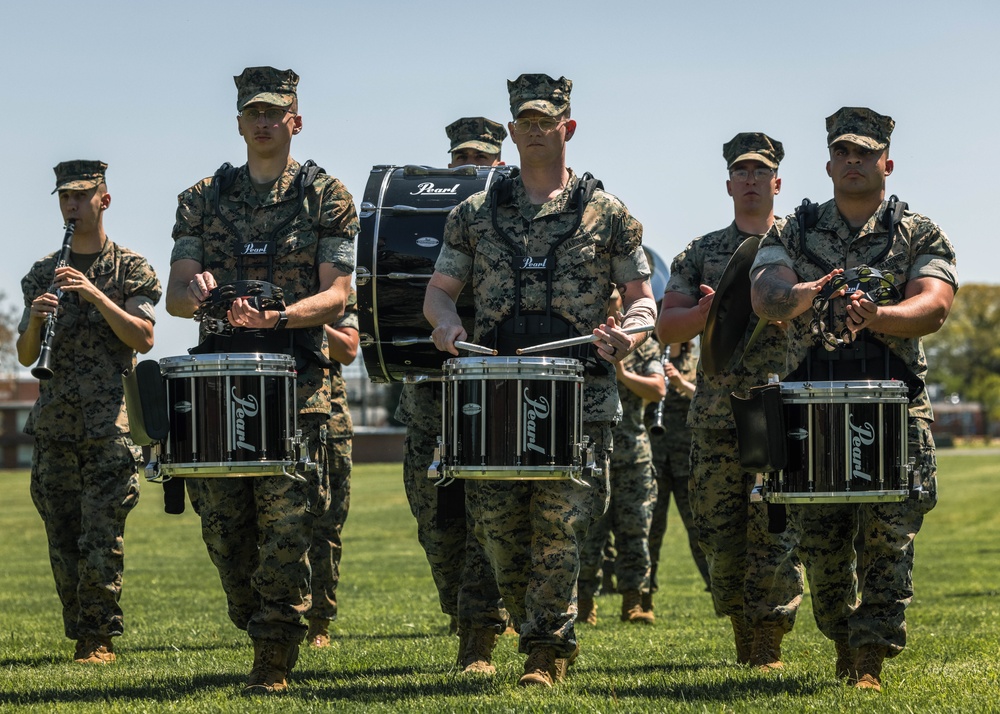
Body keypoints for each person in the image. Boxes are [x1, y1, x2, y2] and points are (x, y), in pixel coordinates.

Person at [424, 73, 657, 687]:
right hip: (497, 390)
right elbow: (439, 293)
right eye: (522, 121)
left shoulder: (608, 215)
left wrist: (628, 335)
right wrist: (446, 327)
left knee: (560, 527)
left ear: (567, 127)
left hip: (579, 395)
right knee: (498, 530)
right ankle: (522, 625)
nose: (532, 130)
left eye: (543, 120)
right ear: (511, 131)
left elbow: (641, 299)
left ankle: (545, 653)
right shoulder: (474, 214)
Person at [750, 107, 957, 691]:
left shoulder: (919, 232)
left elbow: (935, 304)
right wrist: (798, 296)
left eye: (864, 153)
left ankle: (869, 654)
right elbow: (765, 294)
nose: (853, 161)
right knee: (821, 544)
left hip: (892, 405)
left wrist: (880, 315)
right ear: (828, 163)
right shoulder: (792, 229)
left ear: (886, 162)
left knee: (889, 536)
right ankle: (843, 634)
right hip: (810, 406)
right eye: (843, 152)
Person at [165, 66, 357, 694]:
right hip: (221, 386)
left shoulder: (326, 195)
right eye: (254, 112)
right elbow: (175, 295)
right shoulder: (201, 197)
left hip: (297, 385)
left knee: (287, 525)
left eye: (276, 111)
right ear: (240, 121)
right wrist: (201, 296)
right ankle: (259, 623)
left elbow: (338, 293)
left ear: (295, 119)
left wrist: (279, 316)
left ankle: (274, 652)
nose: (265, 121)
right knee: (224, 530)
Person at [657, 133, 804, 670]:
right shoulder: (700, 252)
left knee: (774, 530)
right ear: (728, 184)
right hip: (717, 414)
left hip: (781, 407)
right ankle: (743, 626)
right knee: (719, 535)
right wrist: (706, 314)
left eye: (760, 172)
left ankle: (767, 640)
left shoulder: (800, 247)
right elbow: (665, 323)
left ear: (777, 183)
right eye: (741, 172)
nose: (750, 180)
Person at [17, 160, 160, 664]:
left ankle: (99, 637)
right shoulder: (41, 272)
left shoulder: (132, 269)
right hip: (55, 425)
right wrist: (35, 321)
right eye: (65, 198)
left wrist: (96, 294)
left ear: (104, 199)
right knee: (62, 534)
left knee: (102, 533)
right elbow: (26, 355)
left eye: (82, 196)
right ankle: (80, 632)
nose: (72, 206)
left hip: (109, 428)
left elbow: (143, 337)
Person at [396, 116, 510, 674]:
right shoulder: (426, 226)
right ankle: (466, 612)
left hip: (492, 399)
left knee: (487, 519)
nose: (470, 168)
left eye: (482, 160)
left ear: (501, 164)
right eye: (461, 159)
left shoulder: (510, 223)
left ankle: (478, 636)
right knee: (436, 528)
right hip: (428, 399)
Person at [578, 290, 665, 626]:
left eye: (616, 298)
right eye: (607, 297)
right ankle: (585, 604)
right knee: (589, 535)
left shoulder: (643, 343)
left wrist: (624, 372)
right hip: (591, 452)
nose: (612, 303)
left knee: (635, 533)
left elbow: (657, 389)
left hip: (633, 455)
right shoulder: (584, 340)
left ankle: (635, 602)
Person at [305, 288, 359, 648]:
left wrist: (292, 314)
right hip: (269, 412)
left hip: (329, 421)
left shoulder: (338, 292)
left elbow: (348, 349)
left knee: (326, 527)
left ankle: (318, 622)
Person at [643, 338, 712, 612]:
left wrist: (681, 383)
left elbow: (708, 399)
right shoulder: (650, 360)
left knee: (698, 530)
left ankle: (719, 593)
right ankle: (643, 598)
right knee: (651, 532)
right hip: (656, 459)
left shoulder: (696, 363)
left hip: (686, 459)